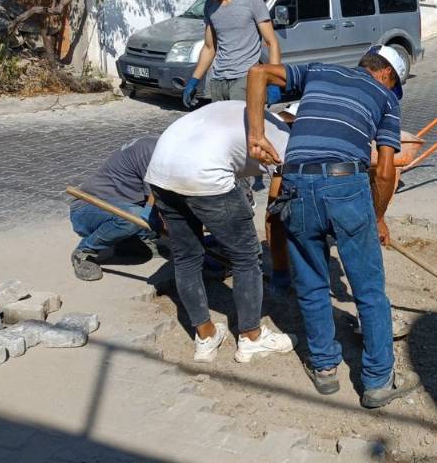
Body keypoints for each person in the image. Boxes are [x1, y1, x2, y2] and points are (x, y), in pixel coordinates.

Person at [243, 45, 419, 409]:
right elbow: (386, 171)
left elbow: (258, 72)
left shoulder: (320, 71)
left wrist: (256, 135)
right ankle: (377, 382)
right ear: (388, 75)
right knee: (369, 290)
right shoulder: (386, 98)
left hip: (295, 184)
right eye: (394, 83)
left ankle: (324, 369)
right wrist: (379, 216)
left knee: (311, 282)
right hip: (345, 186)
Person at [144, 99, 297, 364]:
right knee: (247, 257)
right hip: (204, 172)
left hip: (160, 168)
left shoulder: (250, 110)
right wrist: (282, 264)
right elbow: (275, 207)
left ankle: (206, 337)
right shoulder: (284, 140)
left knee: (186, 257)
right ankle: (251, 337)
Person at [182, 0, 281, 107]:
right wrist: (194, 80)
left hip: (245, 79)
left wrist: (274, 82)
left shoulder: (252, 1)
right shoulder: (209, 6)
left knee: (245, 129)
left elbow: (271, 43)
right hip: (217, 82)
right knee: (222, 130)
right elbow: (209, 48)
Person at [70, 136, 159, 282]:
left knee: (148, 217)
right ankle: (84, 252)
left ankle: (127, 243)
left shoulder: (160, 147)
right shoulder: (151, 152)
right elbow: (154, 201)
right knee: (136, 217)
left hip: (120, 205)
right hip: (87, 209)